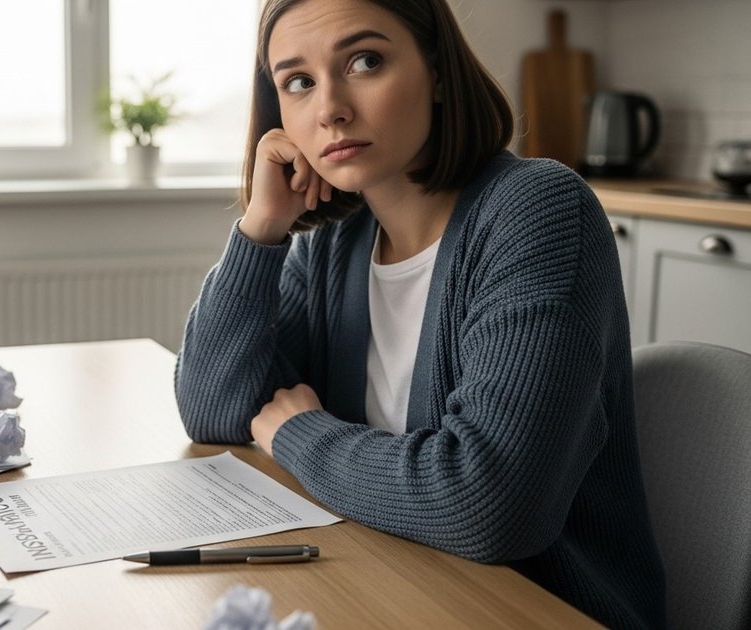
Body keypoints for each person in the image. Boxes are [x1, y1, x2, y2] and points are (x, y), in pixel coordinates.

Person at [173, 0, 667, 627]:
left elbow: (489, 505)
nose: (329, 109)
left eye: (365, 61)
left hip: (536, 610)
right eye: (298, 81)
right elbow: (214, 413)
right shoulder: (333, 241)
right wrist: (262, 227)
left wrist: (300, 434)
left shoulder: (538, 211)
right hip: (389, 585)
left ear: (436, 71)